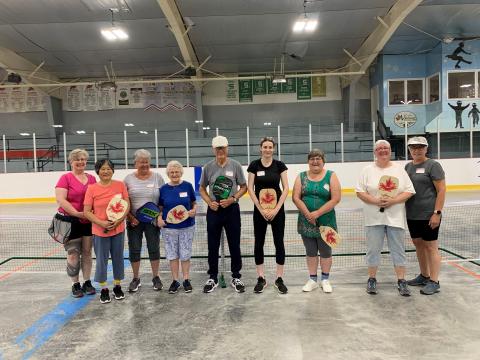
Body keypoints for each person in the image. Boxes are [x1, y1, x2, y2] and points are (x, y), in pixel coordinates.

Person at [355, 140, 415, 296]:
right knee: (373, 250)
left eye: (385, 148)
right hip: (373, 218)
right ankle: (372, 279)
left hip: (395, 218)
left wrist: (393, 201)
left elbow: (408, 191)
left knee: (398, 250)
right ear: (375, 152)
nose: (383, 150)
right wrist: (376, 201)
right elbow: (360, 192)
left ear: (390, 151)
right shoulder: (367, 170)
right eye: (379, 148)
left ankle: (401, 281)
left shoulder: (399, 170)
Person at [199, 135, 247, 293]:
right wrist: (209, 202)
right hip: (214, 211)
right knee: (212, 246)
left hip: (232, 210)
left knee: (235, 245)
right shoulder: (208, 167)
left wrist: (233, 199)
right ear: (213, 150)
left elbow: (243, 187)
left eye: (223, 148)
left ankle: (236, 276)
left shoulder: (235, 165)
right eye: (217, 148)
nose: (220, 150)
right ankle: (212, 277)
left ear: (227, 148)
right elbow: (201, 188)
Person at [292, 149, 341, 293]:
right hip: (306, 221)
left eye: (318, 158)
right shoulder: (301, 176)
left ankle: (325, 279)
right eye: (312, 159)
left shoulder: (331, 176)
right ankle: (312, 280)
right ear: (308, 161)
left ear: (323, 161)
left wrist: (318, 213)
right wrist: (308, 215)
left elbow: (336, 198)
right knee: (311, 251)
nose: (315, 161)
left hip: (326, 221)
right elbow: (296, 197)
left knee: (326, 251)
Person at [247, 137, 289, 294]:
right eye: (265, 147)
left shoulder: (280, 165)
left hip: (277, 210)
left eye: (270, 147)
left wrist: (276, 209)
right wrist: (260, 208)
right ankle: (261, 278)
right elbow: (250, 188)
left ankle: (279, 278)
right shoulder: (254, 165)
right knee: (259, 243)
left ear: (274, 149)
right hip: (260, 211)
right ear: (260, 148)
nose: (267, 149)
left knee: (279, 243)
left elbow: (285, 189)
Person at [84, 159, 129, 304]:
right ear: (98, 171)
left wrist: (119, 220)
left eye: (109, 168)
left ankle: (117, 286)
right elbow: (87, 212)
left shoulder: (120, 185)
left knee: (118, 258)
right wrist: (101, 222)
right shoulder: (92, 189)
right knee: (102, 261)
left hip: (118, 229)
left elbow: (126, 205)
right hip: (100, 230)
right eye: (103, 169)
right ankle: (104, 289)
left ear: (113, 170)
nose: (106, 171)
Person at [405, 137, 446, 295]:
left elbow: (441, 190)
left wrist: (437, 213)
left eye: (420, 147)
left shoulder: (433, 165)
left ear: (426, 149)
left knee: (431, 246)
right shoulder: (408, 167)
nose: (417, 150)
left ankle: (434, 281)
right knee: (418, 244)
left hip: (429, 214)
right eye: (413, 148)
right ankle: (424, 275)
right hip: (412, 214)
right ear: (409, 150)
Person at [55, 149, 97, 297]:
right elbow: (61, 199)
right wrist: (77, 213)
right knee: (73, 253)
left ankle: (87, 282)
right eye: (77, 159)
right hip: (70, 221)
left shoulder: (92, 178)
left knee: (87, 253)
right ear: (71, 162)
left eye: (83, 159)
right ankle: (75, 284)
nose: (80, 162)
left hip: (88, 221)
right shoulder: (65, 178)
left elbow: (96, 198)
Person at [124, 149, 165, 293]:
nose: (144, 165)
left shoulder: (158, 177)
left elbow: (162, 200)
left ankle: (156, 277)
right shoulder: (128, 179)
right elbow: (124, 201)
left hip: (152, 221)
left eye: (147, 162)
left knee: (154, 248)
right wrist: (130, 217)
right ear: (135, 163)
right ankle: (136, 278)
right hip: (134, 221)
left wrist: (158, 215)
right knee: (134, 249)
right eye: (141, 162)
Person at [158, 161, 197, 294]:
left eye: (177, 172)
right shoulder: (163, 189)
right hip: (169, 228)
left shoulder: (188, 186)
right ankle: (175, 280)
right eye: (172, 172)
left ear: (181, 172)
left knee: (185, 254)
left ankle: (186, 279)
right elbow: (160, 207)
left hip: (187, 226)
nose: (174, 174)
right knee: (172, 254)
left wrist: (194, 210)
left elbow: (194, 203)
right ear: (168, 174)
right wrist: (158, 218)